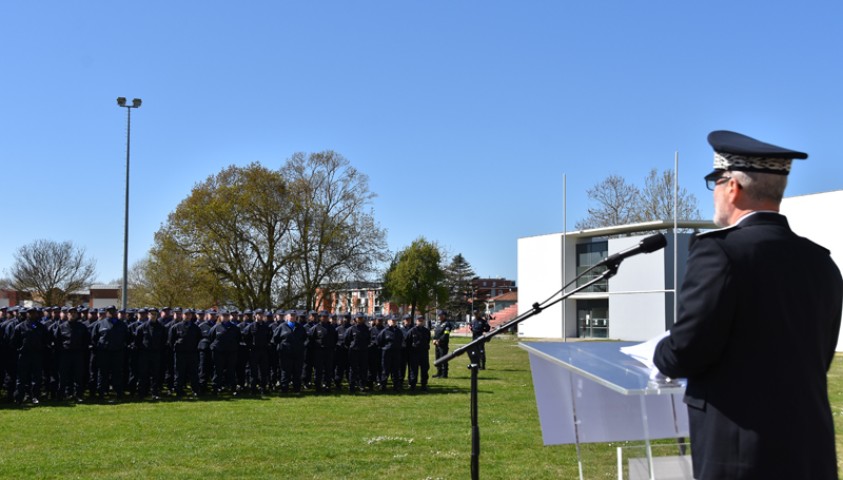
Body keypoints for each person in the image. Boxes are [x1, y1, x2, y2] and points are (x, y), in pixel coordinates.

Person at [653, 130, 843, 480]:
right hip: (810, 450)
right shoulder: (822, 263)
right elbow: (819, 355)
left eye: (716, 183)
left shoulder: (719, 252)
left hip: (740, 453)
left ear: (732, 188)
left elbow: (687, 350)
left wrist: (658, 352)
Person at [406, 314, 430, 391]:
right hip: (414, 353)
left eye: (422, 320)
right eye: (419, 320)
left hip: (424, 353)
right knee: (413, 370)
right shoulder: (412, 331)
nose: (421, 322)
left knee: (424, 369)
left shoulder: (426, 331)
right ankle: (412, 385)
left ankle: (424, 385)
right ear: (416, 321)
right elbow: (408, 342)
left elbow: (428, 340)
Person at [432, 310, 453, 378]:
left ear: (444, 316)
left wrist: (439, 340)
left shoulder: (447, 324)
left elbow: (446, 334)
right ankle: (439, 372)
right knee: (438, 359)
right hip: (437, 344)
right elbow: (436, 333)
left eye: (440, 315)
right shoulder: (438, 323)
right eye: (438, 315)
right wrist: (434, 339)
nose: (439, 316)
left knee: (443, 359)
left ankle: (444, 374)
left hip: (443, 344)